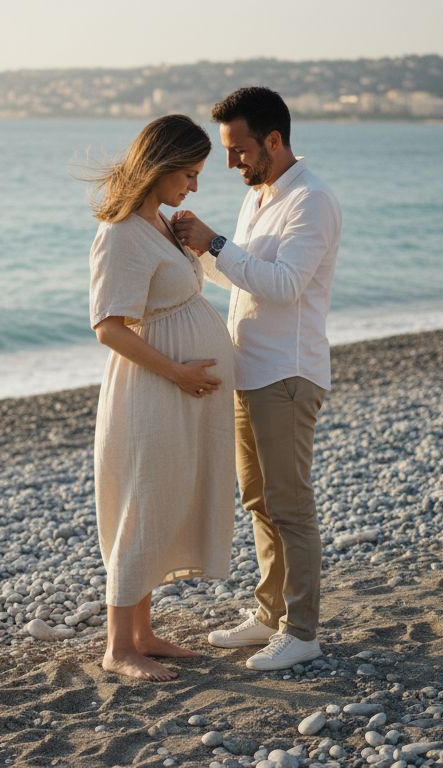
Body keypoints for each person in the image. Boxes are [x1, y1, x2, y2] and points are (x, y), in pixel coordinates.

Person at [171, 86, 342, 671]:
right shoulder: (261, 195)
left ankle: (303, 630)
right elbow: (245, 280)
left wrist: (216, 242)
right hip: (251, 370)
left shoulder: (311, 200)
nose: (230, 162)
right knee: (258, 501)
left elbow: (284, 284)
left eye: (238, 149)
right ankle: (269, 614)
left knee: (290, 506)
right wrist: (197, 254)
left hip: (288, 375)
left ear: (273, 139)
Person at [87, 114, 237, 682]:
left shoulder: (156, 225)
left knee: (166, 498)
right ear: (162, 167)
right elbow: (108, 326)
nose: (194, 186)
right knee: (142, 503)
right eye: (190, 174)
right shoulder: (122, 232)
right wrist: (177, 372)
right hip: (152, 389)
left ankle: (143, 634)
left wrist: (193, 242)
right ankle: (117, 647)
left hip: (178, 388)